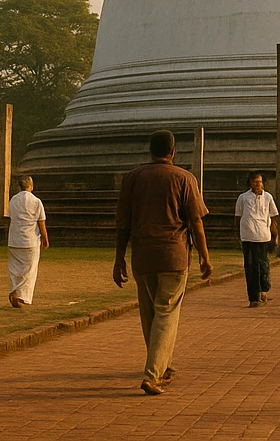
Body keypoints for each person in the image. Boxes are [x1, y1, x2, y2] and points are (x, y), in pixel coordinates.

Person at [113, 129, 213, 396]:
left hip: (142, 255)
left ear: (151, 150)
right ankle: (153, 374)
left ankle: (161, 365)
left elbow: (122, 224)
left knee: (150, 315)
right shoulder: (184, 178)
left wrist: (118, 259)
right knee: (166, 315)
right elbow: (196, 222)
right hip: (174, 255)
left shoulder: (133, 178)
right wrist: (204, 256)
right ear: (173, 151)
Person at [234, 171, 279, 308]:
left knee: (263, 265)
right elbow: (238, 217)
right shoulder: (243, 198)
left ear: (263, 183)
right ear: (250, 183)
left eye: (259, 182)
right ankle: (254, 297)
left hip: (263, 235)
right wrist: (238, 234)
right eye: (254, 182)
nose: (257, 184)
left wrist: (276, 236)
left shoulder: (268, 197)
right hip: (248, 236)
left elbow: (273, 218)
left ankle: (263, 289)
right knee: (250, 266)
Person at [7, 176, 48, 307]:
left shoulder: (13, 200)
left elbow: (11, 217)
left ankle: (15, 290)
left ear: (19, 187)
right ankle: (22, 296)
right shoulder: (36, 201)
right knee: (29, 270)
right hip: (30, 240)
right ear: (31, 186)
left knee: (15, 268)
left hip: (14, 239)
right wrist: (45, 238)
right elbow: (41, 223)